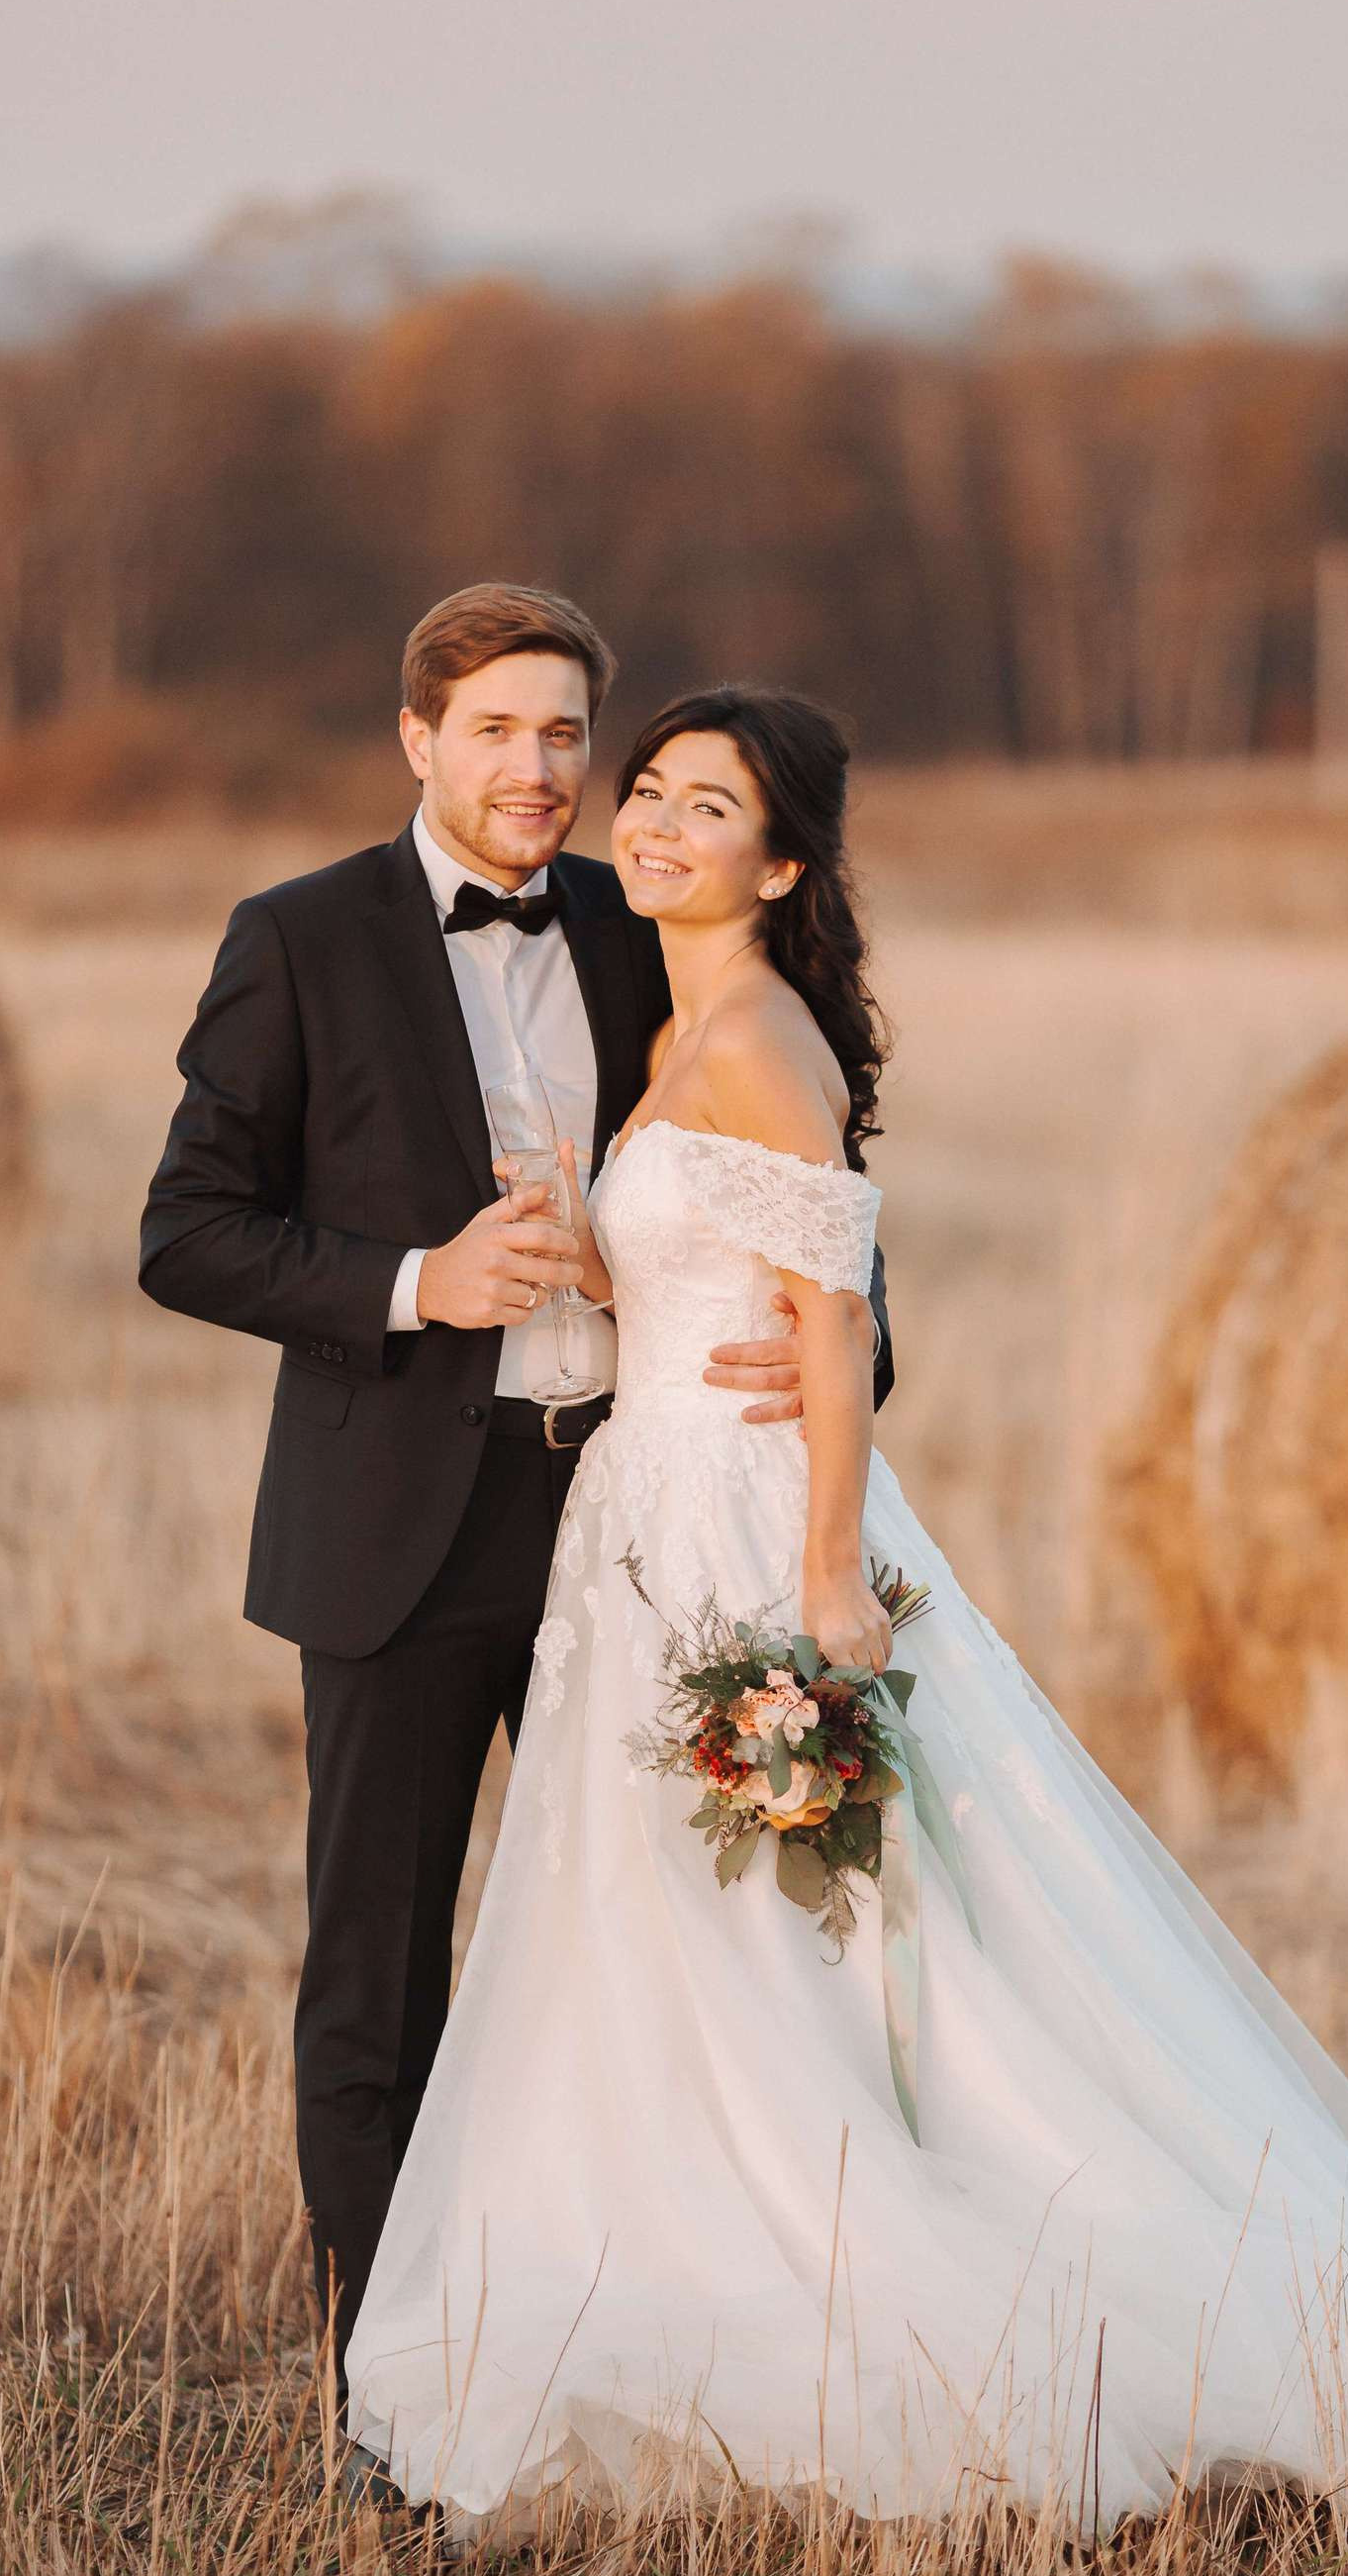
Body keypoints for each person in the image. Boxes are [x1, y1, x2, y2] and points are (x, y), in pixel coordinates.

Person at [341, 683, 1348, 2545]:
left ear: (780, 864)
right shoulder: (676, 1029)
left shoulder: (761, 1040)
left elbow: (844, 1315)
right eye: (649, 792)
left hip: (742, 1533)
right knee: (663, 1924)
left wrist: (818, 1577)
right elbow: (753, 1283)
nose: (649, 824)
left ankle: (852, 2279)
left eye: (704, 809)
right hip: (645, 1512)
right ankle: (663, 2257)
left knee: (807, 1922)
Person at [138, 590, 894, 2427]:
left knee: (647, 1965)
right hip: (398, 1525)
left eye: (570, 735)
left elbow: (804, 1187)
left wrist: (845, 1370)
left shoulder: (649, 932)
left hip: (636, 1537)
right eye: (499, 732)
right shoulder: (298, 939)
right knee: (378, 1981)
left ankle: (664, 2357)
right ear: (419, 740)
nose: (541, 772)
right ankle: (390, 2396)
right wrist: (416, 1282)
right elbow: (186, 1230)